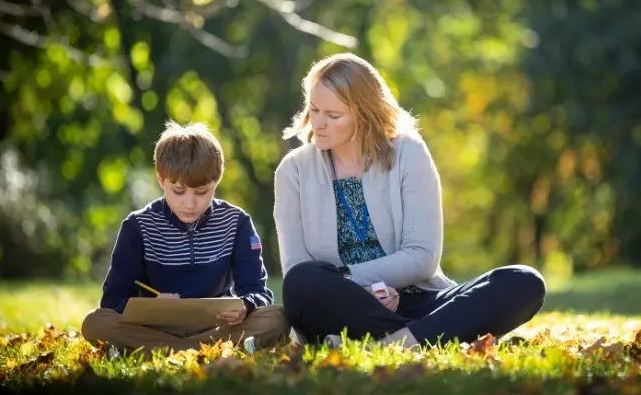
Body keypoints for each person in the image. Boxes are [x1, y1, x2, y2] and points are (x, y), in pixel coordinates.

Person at [274, 53, 547, 348]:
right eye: (314, 110)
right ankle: (432, 334)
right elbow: (295, 267)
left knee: (524, 281)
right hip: (344, 307)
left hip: (419, 299)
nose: (319, 123)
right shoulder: (294, 170)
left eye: (333, 115)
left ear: (364, 113)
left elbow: (422, 257)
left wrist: (354, 277)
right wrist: (361, 290)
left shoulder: (409, 152)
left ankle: (389, 343)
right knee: (301, 282)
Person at [82, 120, 289, 357]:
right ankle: (209, 350)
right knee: (95, 323)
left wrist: (246, 305)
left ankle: (163, 352)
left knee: (278, 317)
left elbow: (257, 290)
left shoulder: (237, 222)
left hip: (218, 326)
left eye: (202, 192)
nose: (189, 204)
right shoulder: (137, 226)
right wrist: (151, 307)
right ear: (161, 180)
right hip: (155, 327)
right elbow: (113, 299)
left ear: (216, 181)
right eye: (178, 191)